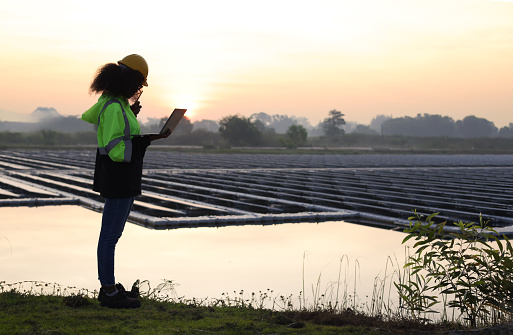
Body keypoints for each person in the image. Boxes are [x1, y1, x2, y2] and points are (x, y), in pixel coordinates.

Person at [81, 54, 170, 309]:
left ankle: (109, 285)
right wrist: (145, 140)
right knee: (109, 236)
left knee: (113, 234)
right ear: (129, 80)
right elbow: (115, 149)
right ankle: (109, 291)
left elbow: (122, 134)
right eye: (139, 83)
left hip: (123, 178)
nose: (139, 89)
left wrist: (134, 120)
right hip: (118, 178)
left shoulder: (118, 104)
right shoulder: (112, 107)